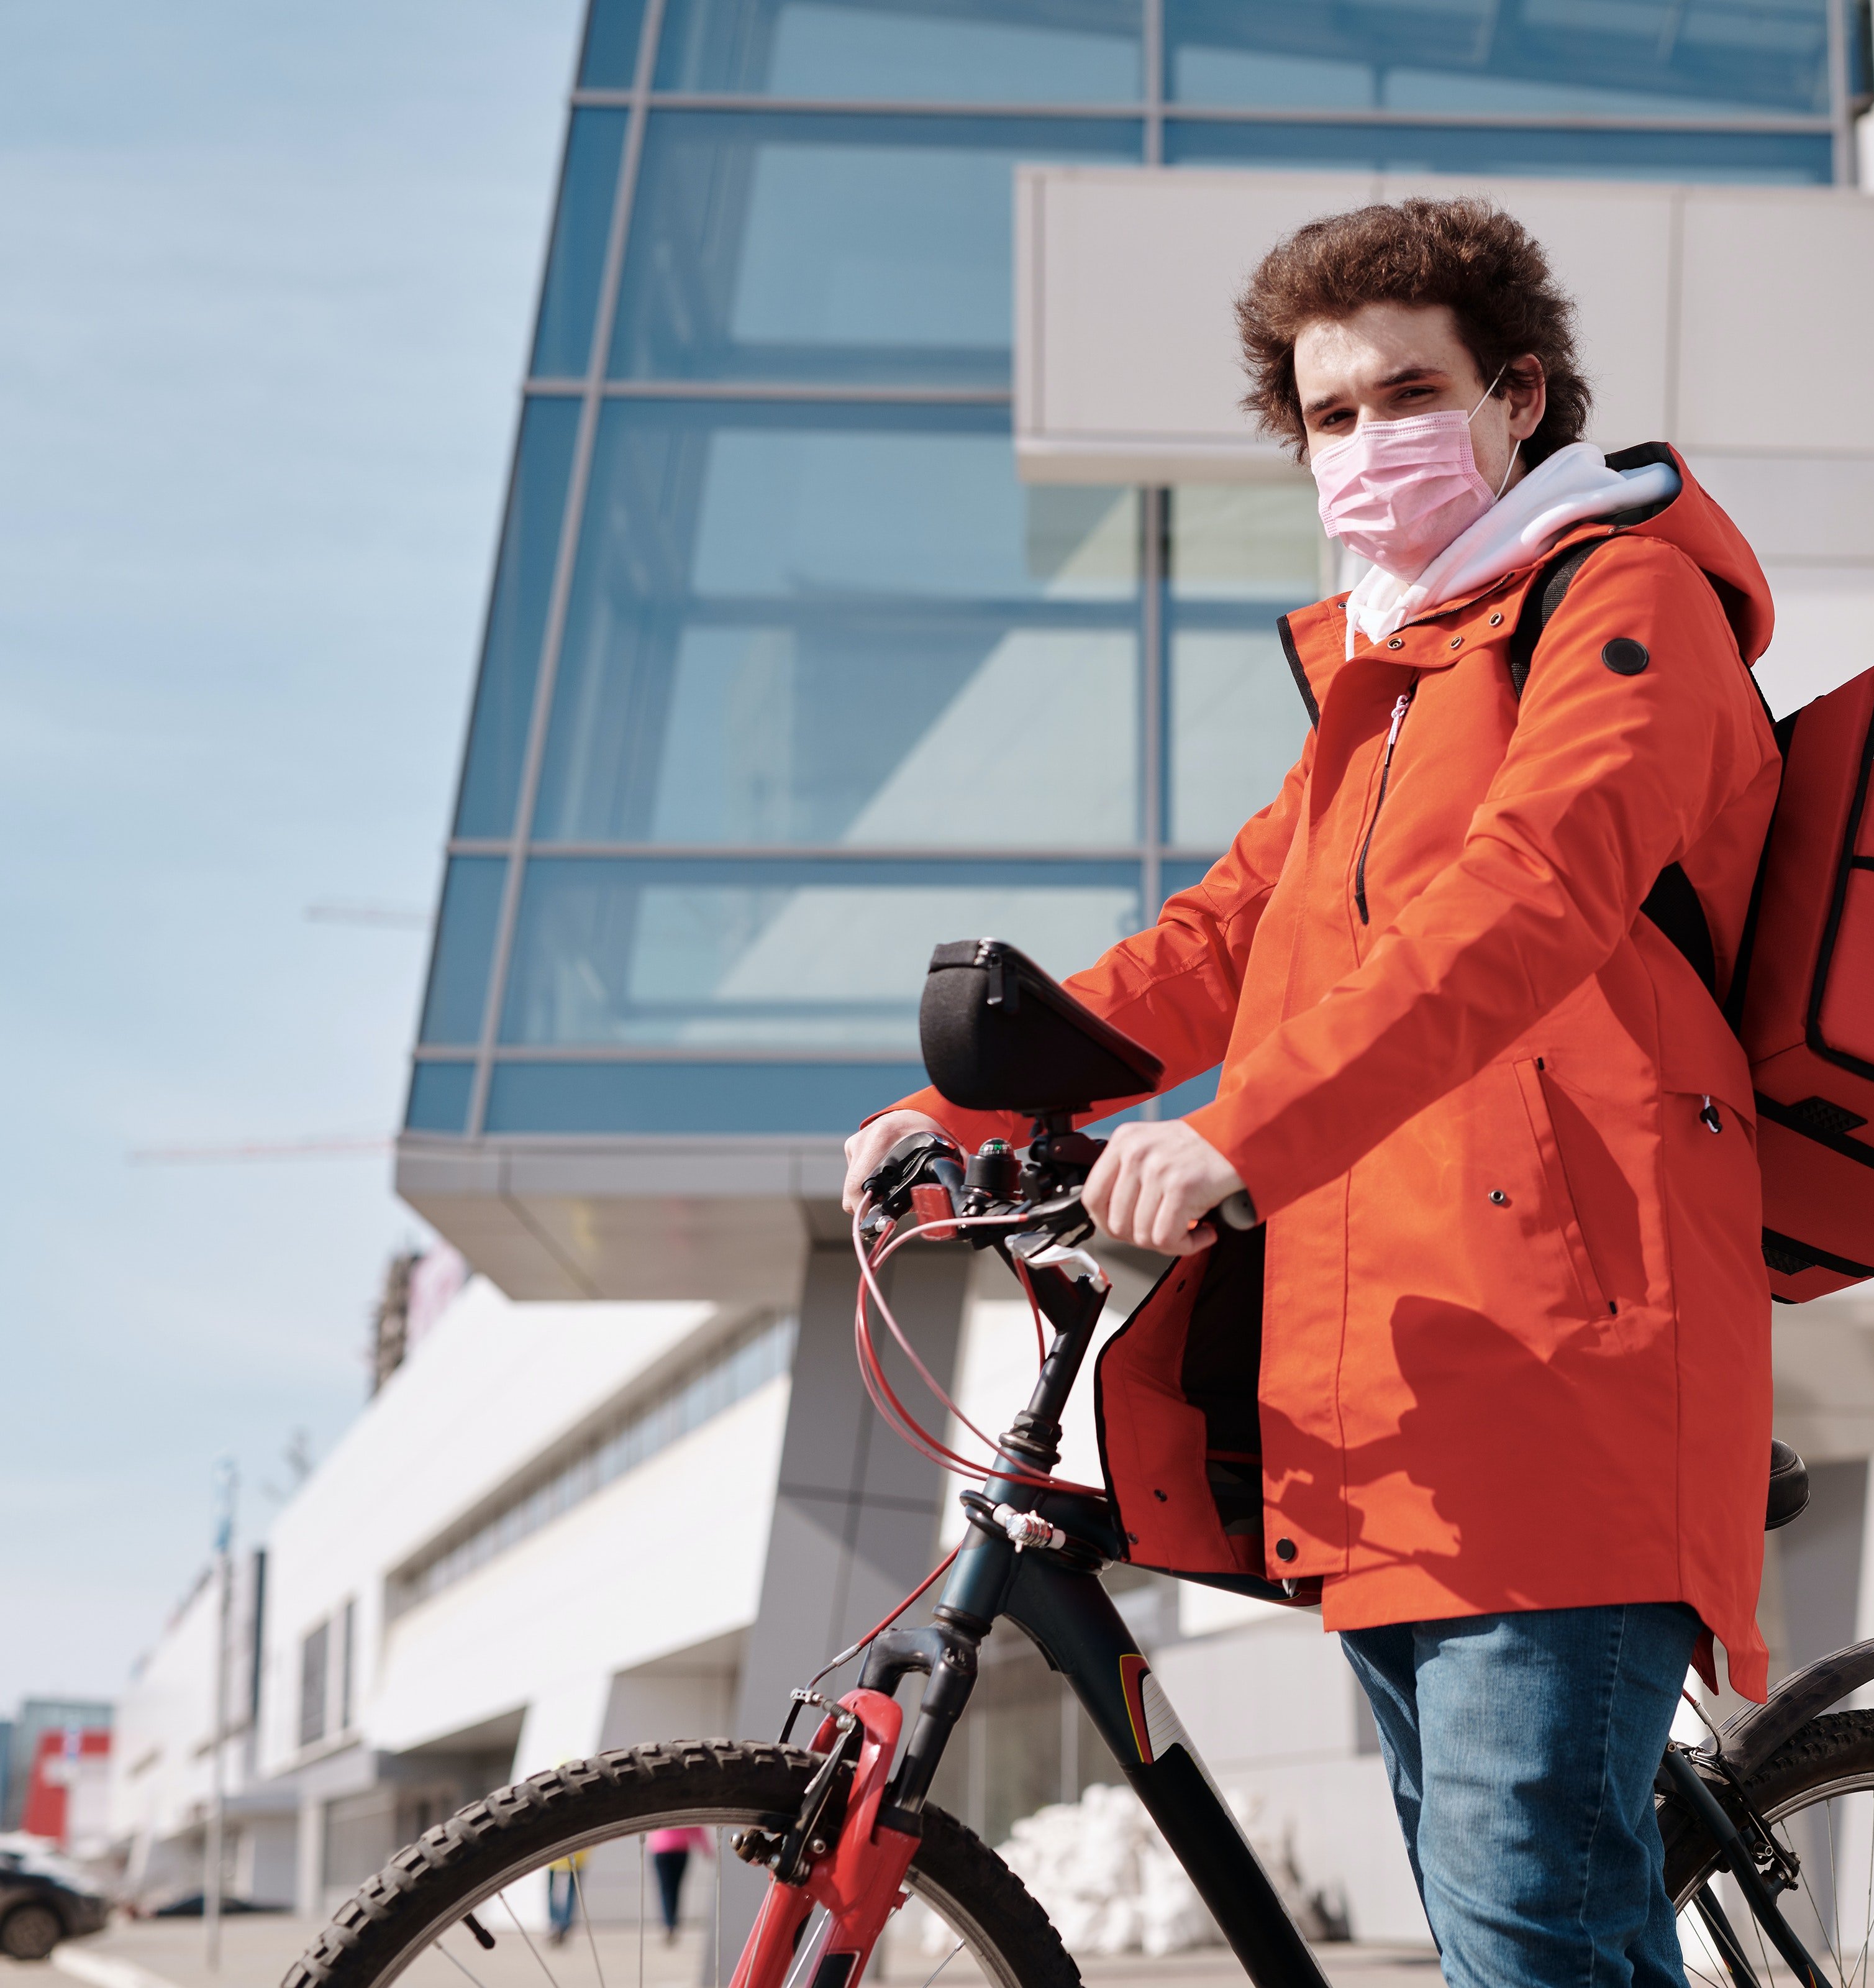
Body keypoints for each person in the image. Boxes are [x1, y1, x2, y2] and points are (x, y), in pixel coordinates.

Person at [844, 197, 1780, 1988]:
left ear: (1518, 394)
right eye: (1328, 417)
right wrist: (956, 1111)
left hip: (1567, 1367)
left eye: (1403, 395)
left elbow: (1533, 897)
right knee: (1508, 1934)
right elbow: (1217, 941)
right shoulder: (1389, 675)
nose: (1363, 444)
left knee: (1533, 1949)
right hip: (1394, 1391)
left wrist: (1232, 1135)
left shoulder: (1624, 601)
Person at [644, 1827, 705, 1943]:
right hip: (681, 1848)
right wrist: (705, 1847)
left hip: (661, 1847)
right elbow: (696, 1826)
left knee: (666, 1889)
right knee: (676, 1888)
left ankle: (669, 1924)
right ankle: (673, 1923)